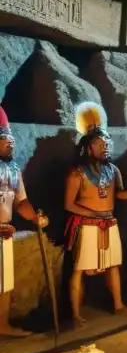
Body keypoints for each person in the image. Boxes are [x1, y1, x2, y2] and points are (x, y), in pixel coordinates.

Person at [64, 102, 127, 325]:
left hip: (108, 223)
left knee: (113, 265)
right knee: (79, 269)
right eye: (100, 143)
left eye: (107, 143)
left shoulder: (113, 170)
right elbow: (69, 205)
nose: (105, 147)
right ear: (88, 147)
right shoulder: (76, 173)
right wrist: (92, 215)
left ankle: (118, 305)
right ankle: (74, 314)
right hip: (86, 225)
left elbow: (117, 195)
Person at [0, 105, 48, 338]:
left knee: (4, 283)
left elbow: (21, 202)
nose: (11, 143)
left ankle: (2, 324)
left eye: (11, 139)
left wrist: (34, 216)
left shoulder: (13, 170)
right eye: (5, 139)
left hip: (4, 232)